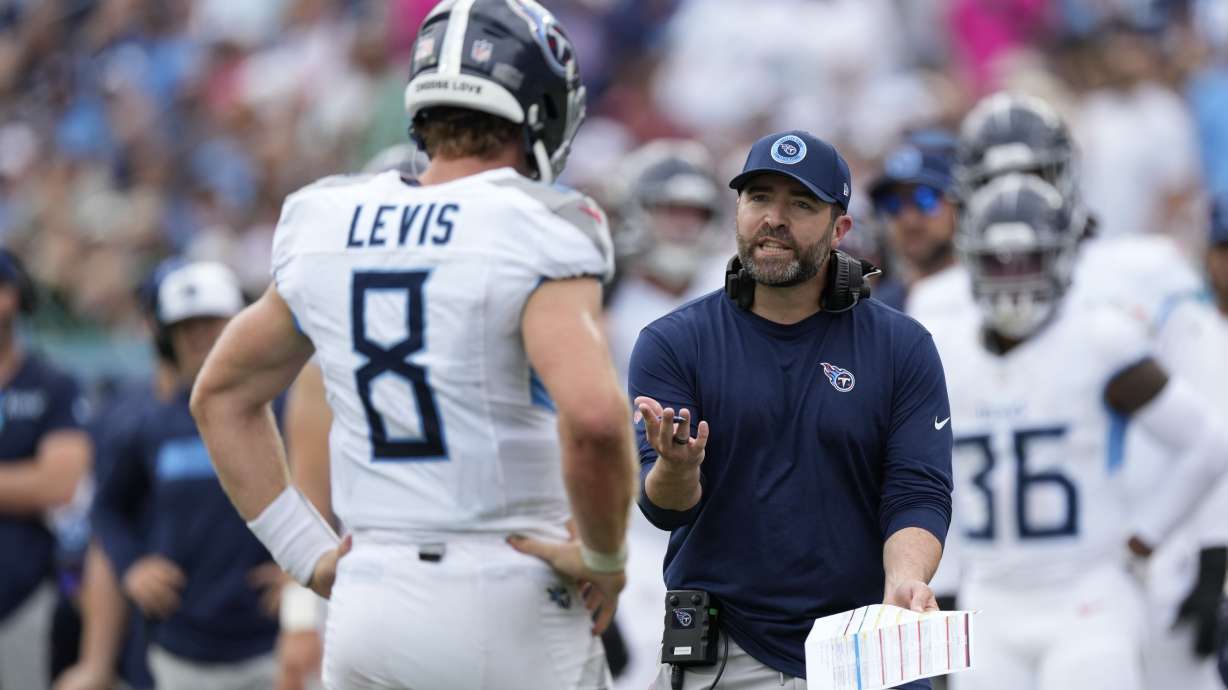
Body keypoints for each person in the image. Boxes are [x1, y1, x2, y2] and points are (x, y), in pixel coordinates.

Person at [189, 1, 638, 688]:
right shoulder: (538, 222)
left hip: (370, 596)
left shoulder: (328, 217)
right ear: (541, 107)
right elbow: (597, 421)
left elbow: (220, 396)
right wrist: (606, 557)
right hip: (508, 588)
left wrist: (306, 552)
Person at [631, 129, 954, 690]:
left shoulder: (902, 345)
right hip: (728, 654)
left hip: (866, 644)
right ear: (737, 209)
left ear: (840, 228)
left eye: (800, 204)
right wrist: (677, 469)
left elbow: (917, 492)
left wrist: (905, 580)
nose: (774, 218)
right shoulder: (675, 342)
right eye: (759, 198)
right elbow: (666, 509)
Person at [939, 174, 1228, 690]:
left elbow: (1207, 443)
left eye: (1025, 260)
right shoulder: (943, 349)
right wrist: (945, 585)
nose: (1011, 279)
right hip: (988, 603)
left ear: (1061, 259)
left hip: (1086, 597)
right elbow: (929, 481)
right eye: (996, 262)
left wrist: (1145, 536)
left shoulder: (1102, 340)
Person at [91, 261, 283, 690]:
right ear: (166, 339)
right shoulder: (147, 424)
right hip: (182, 647)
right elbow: (107, 508)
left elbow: (337, 494)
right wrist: (132, 566)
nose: (199, 336)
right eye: (185, 326)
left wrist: (305, 572)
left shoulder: (286, 409)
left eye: (212, 322)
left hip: (277, 642)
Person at [0, 249, 93, 690]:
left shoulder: (52, 383)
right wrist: (21, 480)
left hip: (23, 596)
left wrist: (36, 483)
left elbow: (60, 483)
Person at [868, 138, 969, 324]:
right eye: (893, 204)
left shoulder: (984, 298)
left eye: (925, 199)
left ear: (957, 206)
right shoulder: (876, 311)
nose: (909, 220)